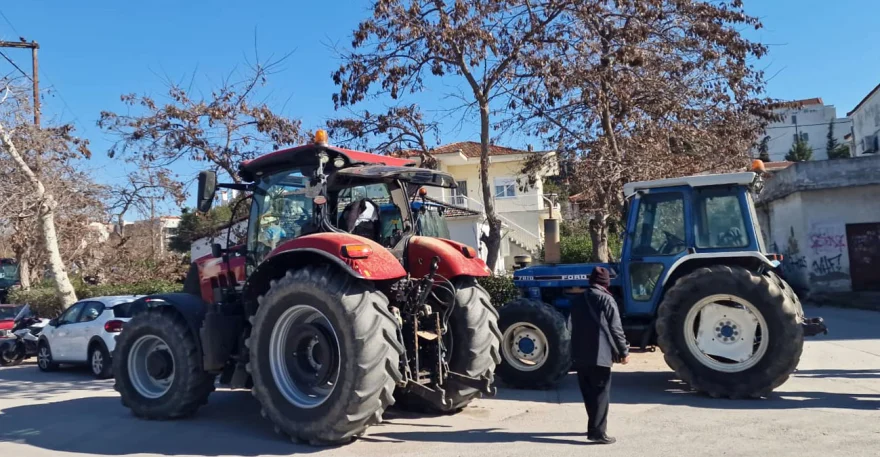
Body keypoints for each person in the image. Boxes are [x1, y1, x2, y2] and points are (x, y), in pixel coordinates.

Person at [570, 266, 630, 445]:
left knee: (589, 393)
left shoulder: (577, 300)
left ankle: (594, 427)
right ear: (606, 283)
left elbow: (570, 326)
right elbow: (616, 329)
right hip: (600, 355)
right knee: (601, 394)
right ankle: (598, 433)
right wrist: (623, 351)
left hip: (579, 354)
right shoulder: (606, 299)